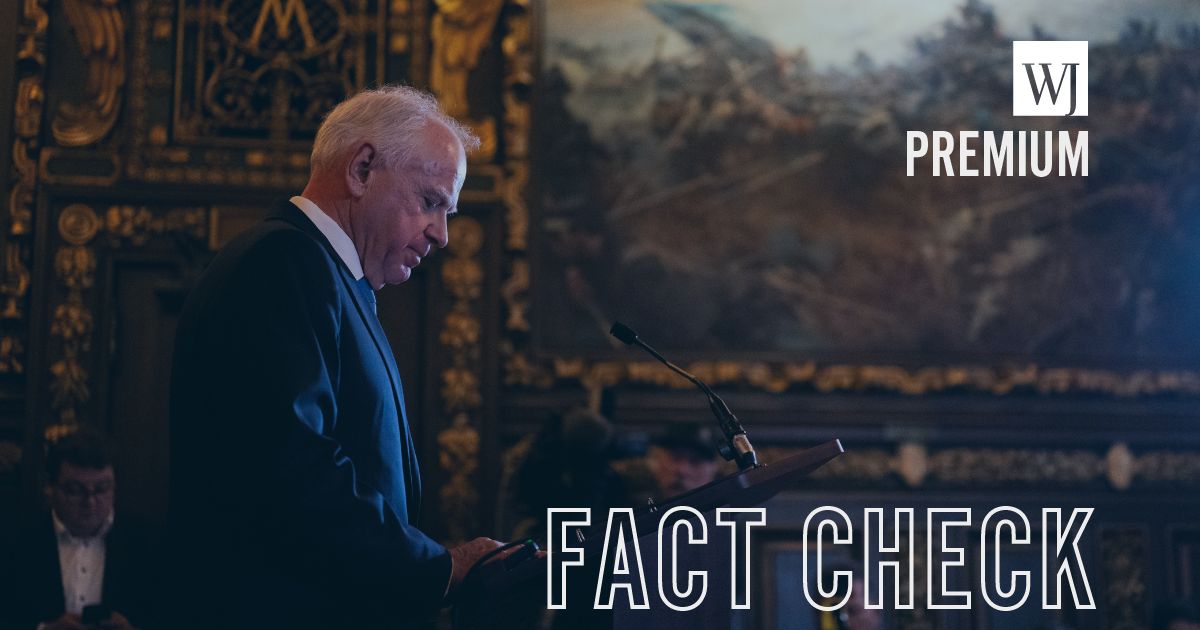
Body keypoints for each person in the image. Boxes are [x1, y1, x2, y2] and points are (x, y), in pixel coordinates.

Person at [168, 86, 506, 629]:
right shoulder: (282, 264)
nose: (442, 235)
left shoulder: (326, 276)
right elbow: (294, 474)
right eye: (431, 201)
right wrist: (439, 569)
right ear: (362, 168)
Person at [0, 430, 155, 630]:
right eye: (75, 491)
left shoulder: (146, 542)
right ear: (50, 488)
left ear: (114, 487)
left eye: (101, 489)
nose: (90, 502)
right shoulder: (14, 540)